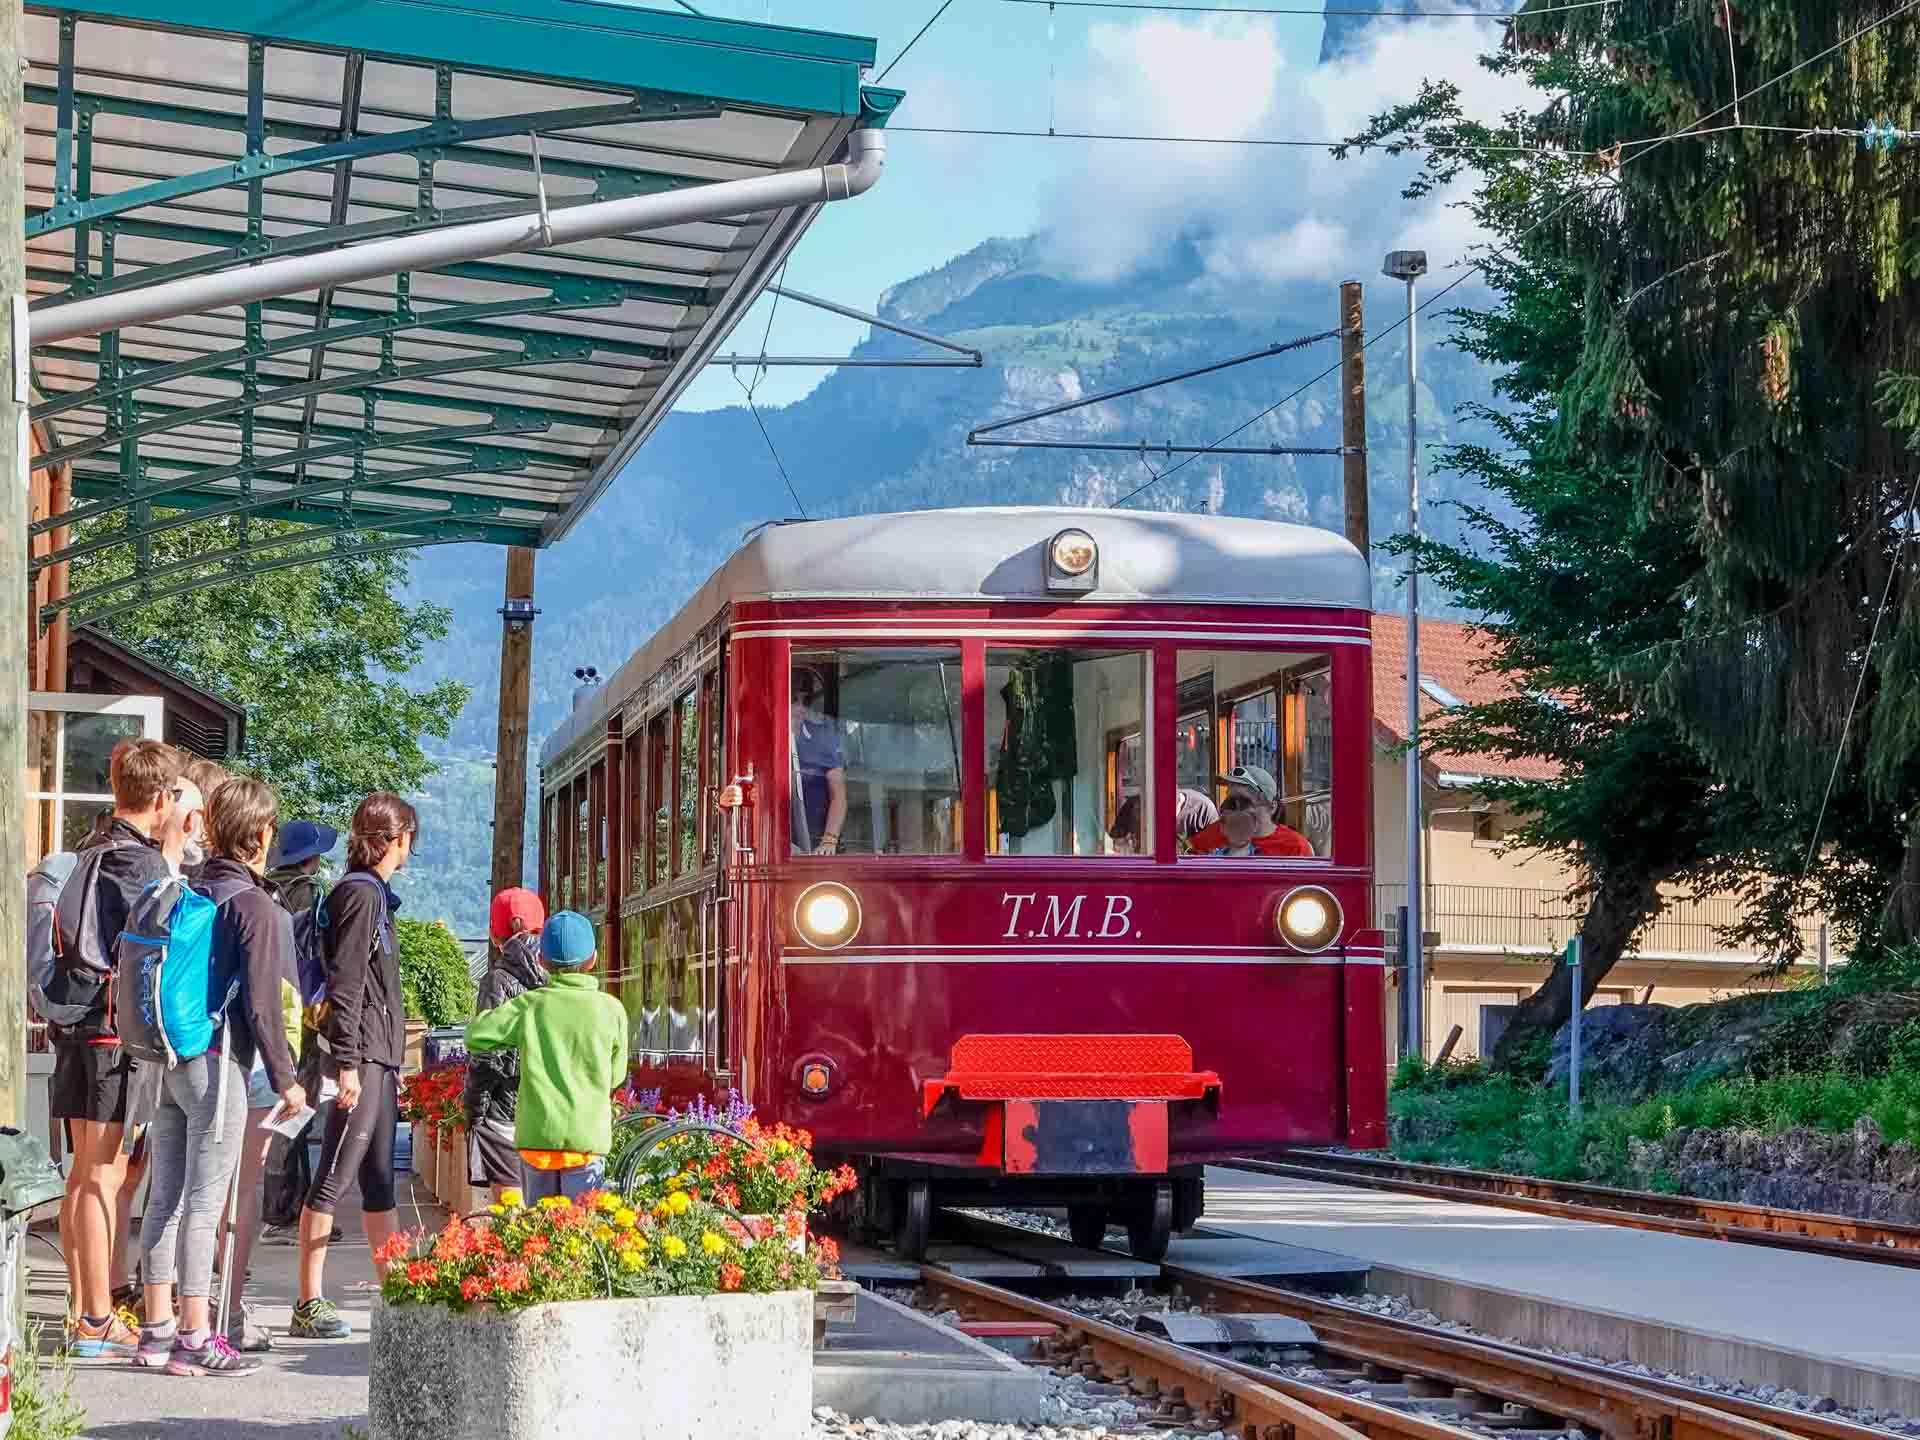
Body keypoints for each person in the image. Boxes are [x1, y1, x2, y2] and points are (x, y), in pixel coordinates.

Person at [135, 778, 304, 1377]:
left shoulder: (195, 887)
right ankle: (195, 1338)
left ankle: (154, 1332)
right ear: (260, 835)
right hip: (218, 1061)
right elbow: (262, 1005)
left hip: (170, 1058)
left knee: (166, 1198)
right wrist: (287, 1079)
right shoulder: (254, 905)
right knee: (206, 1204)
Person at [52, 738, 187, 1358]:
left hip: (75, 1028)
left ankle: (84, 1314)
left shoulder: (91, 849)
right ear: (161, 799)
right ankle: (99, 1318)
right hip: (113, 1036)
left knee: (83, 1175)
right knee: (105, 1177)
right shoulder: (145, 866)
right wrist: (176, 857)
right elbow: (160, 948)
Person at [293, 793, 416, 1341]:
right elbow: (346, 983)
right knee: (335, 1175)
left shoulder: (369, 895)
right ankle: (308, 1300)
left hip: (377, 1058)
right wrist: (347, 1064)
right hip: (360, 1056)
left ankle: (397, 1294)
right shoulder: (361, 896)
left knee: (379, 1178)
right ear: (397, 839)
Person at [221, 815, 334, 1350]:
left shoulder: (254, 890)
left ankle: (278, 1203)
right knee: (279, 1132)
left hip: (234, 1033)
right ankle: (283, 1202)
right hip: (289, 1024)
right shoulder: (306, 898)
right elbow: (307, 966)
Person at [465, 911, 629, 1201]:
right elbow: (616, 1076)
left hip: (537, 1140)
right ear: (593, 959)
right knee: (581, 1233)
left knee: (539, 1234)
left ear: (541, 961)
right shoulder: (611, 1010)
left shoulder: (530, 1006)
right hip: (586, 1143)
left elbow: (476, 1035)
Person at [257, 820, 339, 1253]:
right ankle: (283, 1209)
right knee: (293, 1113)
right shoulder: (308, 895)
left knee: (284, 1111)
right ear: (310, 857)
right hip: (303, 1013)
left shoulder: (265, 890)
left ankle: (288, 1205)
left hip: (269, 1008)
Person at [464, 888, 547, 1202]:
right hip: (546, 1111)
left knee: (508, 1213)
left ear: (495, 933)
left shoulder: (496, 981)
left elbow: (485, 1056)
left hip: (504, 1112)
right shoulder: (562, 975)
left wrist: (475, 1113)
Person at [1186, 765, 1314, 857]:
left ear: (1272, 807)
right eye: (1230, 800)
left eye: (1244, 801)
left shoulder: (1295, 847)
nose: (1234, 809)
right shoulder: (1214, 834)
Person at [791, 664, 846, 855]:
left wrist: (829, 841)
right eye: (793, 701)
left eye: (805, 702)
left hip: (815, 844)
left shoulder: (822, 737)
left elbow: (838, 794)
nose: (800, 709)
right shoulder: (761, 740)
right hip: (776, 844)